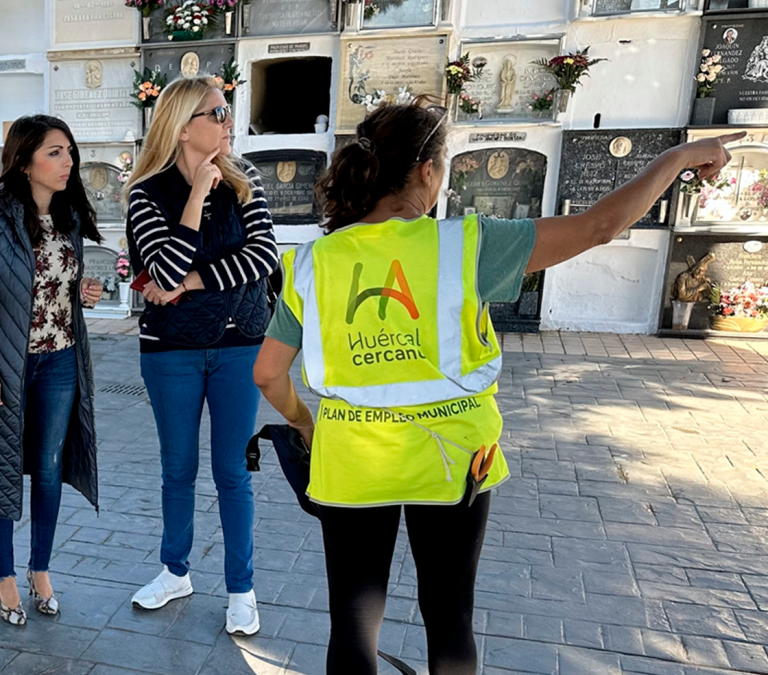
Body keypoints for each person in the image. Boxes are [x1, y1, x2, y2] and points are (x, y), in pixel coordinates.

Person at [252, 101, 740, 674]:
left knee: (354, 625)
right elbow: (600, 226)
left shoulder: (314, 261)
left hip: (351, 459)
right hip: (456, 458)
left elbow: (267, 372)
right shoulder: (468, 245)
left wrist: (305, 424)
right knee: (450, 617)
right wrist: (677, 157)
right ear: (428, 172)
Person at [123, 76, 278, 636]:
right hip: (172, 352)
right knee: (178, 469)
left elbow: (262, 257)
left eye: (227, 111)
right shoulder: (146, 192)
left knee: (232, 471)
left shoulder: (246, 180)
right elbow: (158, 271)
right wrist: (193, 198)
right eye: (216, 112)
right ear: (184, 125)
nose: (227, 120)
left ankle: (242, 588)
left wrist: (190, 281)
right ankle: (175, 571)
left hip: (239, 345)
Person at [0, 114, 105, 627]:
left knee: (49, 467)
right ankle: (5, 576)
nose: (68, 162)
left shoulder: (69, 218)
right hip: (9, 364)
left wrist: (84, 293)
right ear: (24, 161)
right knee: (0, 466)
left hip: (60, 362)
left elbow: (63, 288)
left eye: (69, 151)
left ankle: (40, 569)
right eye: (55, 152)